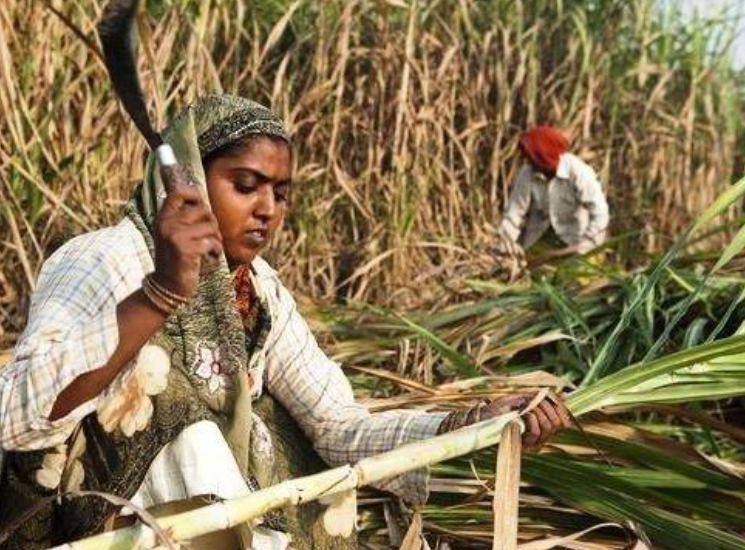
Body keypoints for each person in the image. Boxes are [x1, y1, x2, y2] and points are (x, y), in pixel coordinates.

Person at [0, 96, 571, 550]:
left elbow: (338, 426)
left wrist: (472, 425)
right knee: (187, 422)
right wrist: (162, 292)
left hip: (221, 524)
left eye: (280, 192)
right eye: (245, 186)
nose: (268, 209)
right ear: (189, 184)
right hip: (107, 526)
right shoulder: (103, 259)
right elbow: (18, 420)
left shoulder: (258, 290)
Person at [499, 126, 609, 255]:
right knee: (535, 272)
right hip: (540, 239)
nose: (529, 162)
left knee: (580, 272)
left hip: (576, 238)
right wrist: (507, 242)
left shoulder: (578, 172)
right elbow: (514, 212)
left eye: (532, 158)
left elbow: (600, 212)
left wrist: (586, 245)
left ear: (543, 156)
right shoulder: (527, 173)